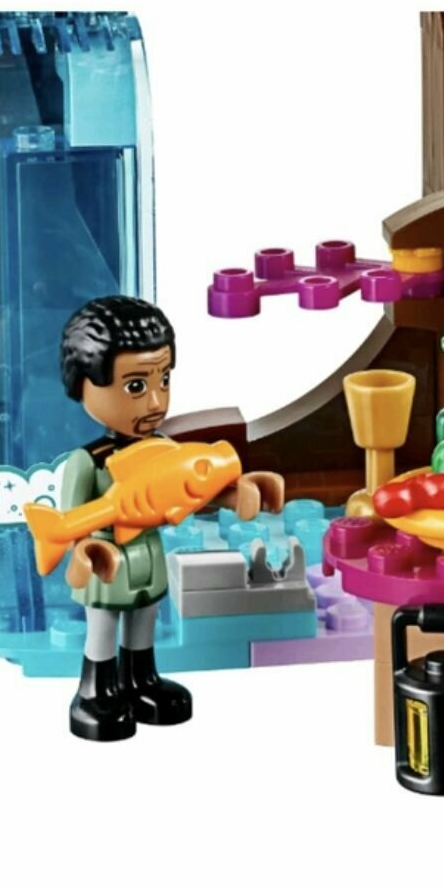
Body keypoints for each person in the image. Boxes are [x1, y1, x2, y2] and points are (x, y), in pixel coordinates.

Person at [56, 296, 282, 740]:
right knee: (103, 624)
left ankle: (141, 681)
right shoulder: (88, 462)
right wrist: (82, 549)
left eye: (164, 379)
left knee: (144, 619)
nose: (156, 401)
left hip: (149, 552)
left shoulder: (165, 450)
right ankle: (94, 692)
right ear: (85, 384)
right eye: (135, 386)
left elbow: (191, 492)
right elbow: (71, 519)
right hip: (108, 558)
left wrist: (234, 494)